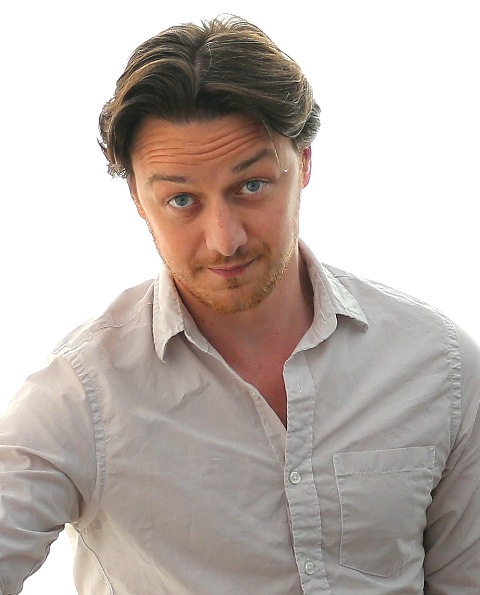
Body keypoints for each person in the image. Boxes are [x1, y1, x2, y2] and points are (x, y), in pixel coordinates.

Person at [0, 15, 479, 595]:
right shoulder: (83, 394)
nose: (224, 239)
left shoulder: (440, 364)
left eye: (251, 186)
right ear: (138, 198)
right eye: (181, 200)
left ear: (304, 162)